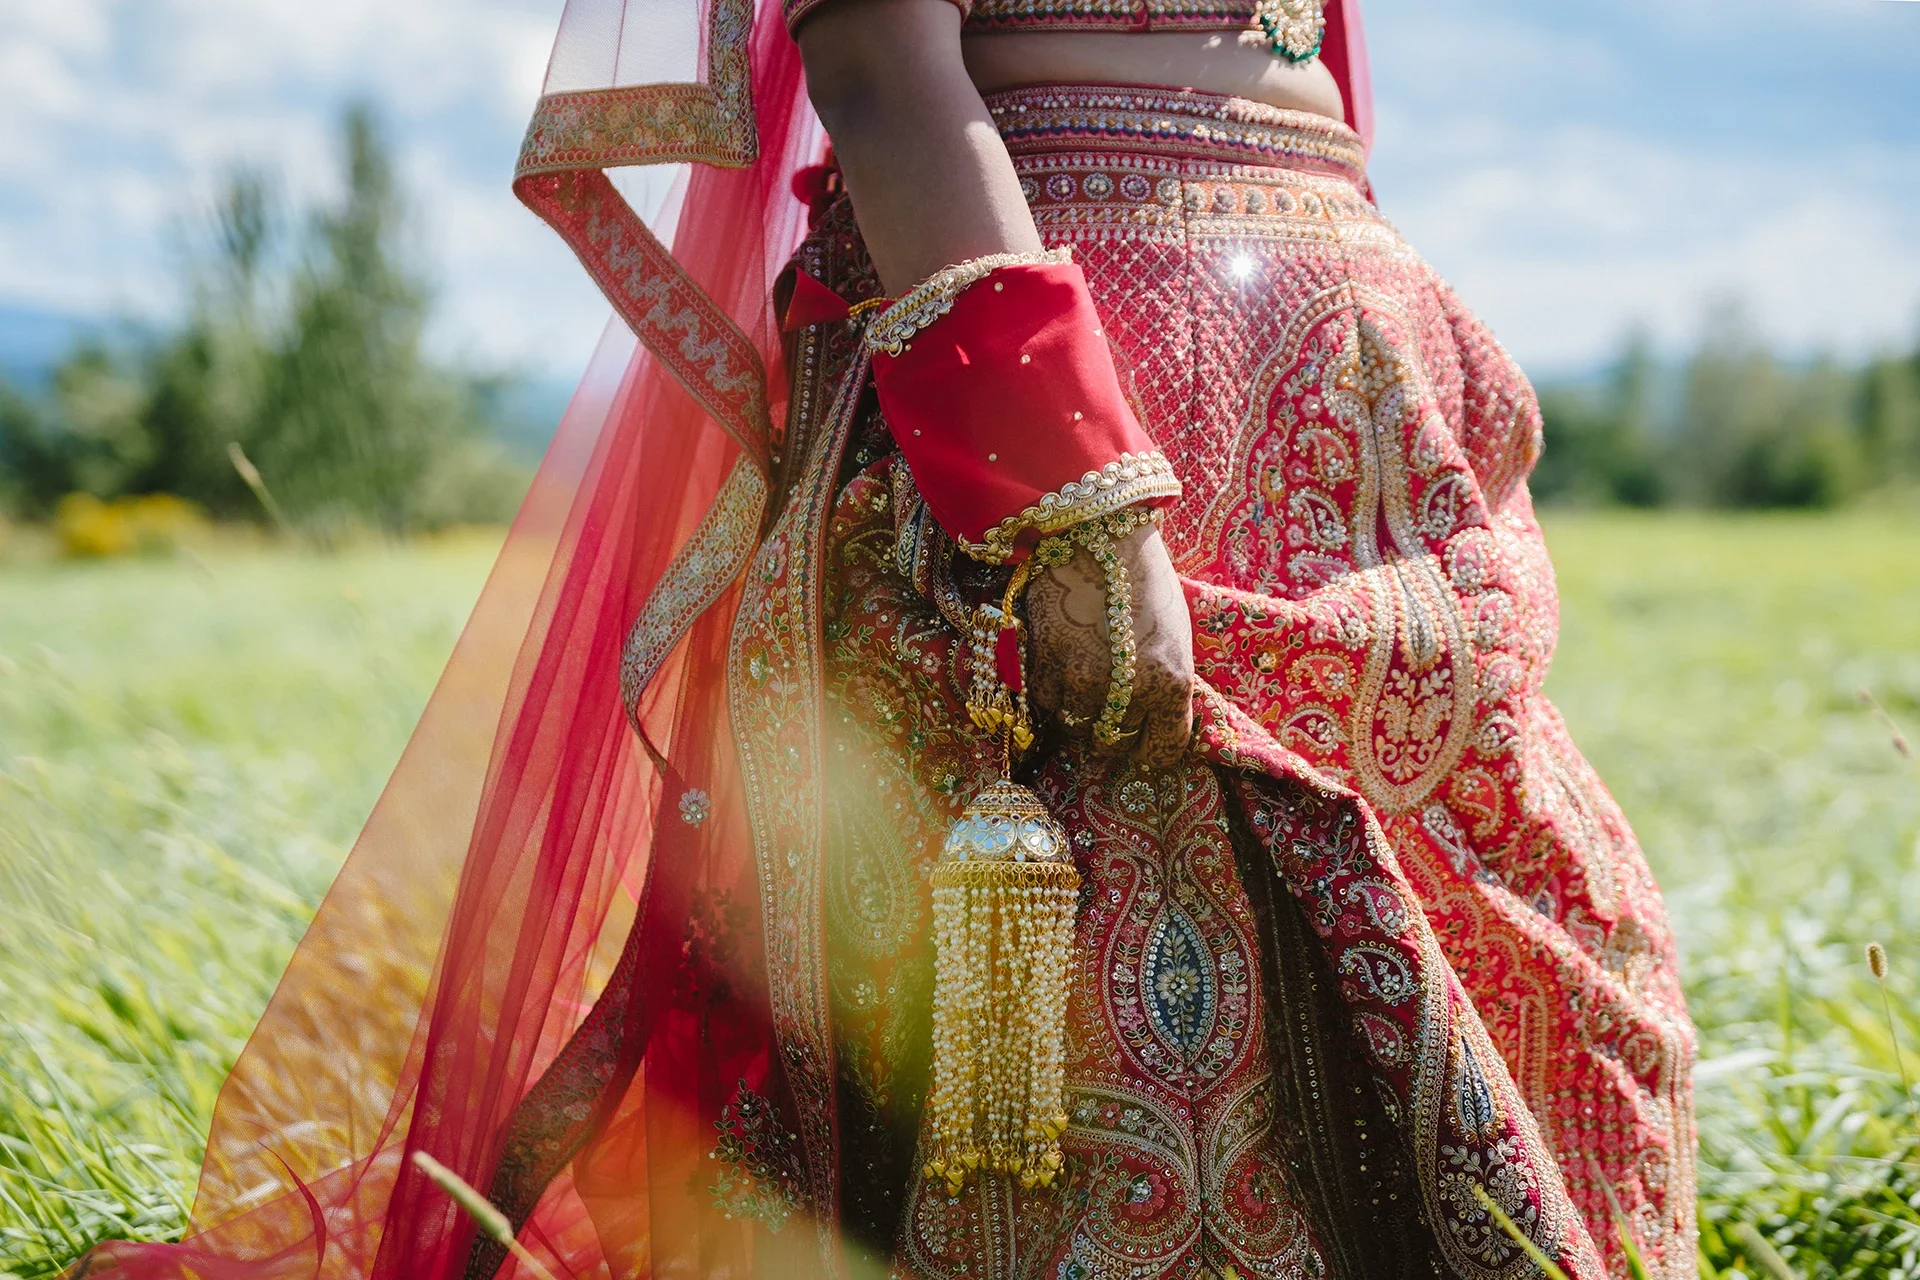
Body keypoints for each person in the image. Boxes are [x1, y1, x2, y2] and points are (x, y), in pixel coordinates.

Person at [77, 3, 1696, 1279]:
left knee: (1564, 968)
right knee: (1099, 1031)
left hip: (1361, 409)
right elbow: (874, 50)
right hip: (1071, 408)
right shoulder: (1067, 474)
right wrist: (1071, 490)